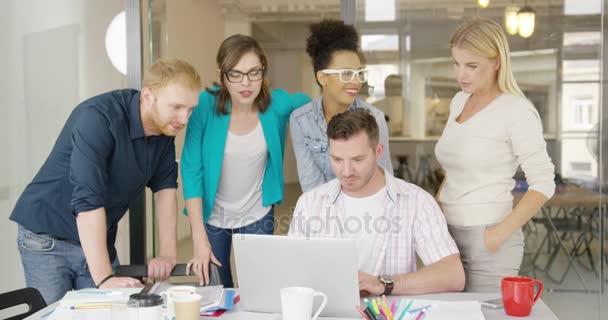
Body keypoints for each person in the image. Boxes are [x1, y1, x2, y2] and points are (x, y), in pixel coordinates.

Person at [9, 59, 202, 304]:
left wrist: (166, 254)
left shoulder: (164, 129)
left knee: (110, 311)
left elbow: (165, 190)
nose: (184, 119)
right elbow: (88, 199)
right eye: (176, 107)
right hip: (47, 237)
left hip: (97, 239)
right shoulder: (98, 118)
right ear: (148, 96)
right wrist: (103, 278)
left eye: (190, 109)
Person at [435, 17, 555, 292]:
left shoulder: (516, 111)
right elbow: (452, 170)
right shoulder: (458, 101)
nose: (461, 74)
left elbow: (544, 182)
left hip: (487, 240)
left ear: (497, 61)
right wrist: (437, 212)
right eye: (457, 63)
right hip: (447, 237)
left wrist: (498, 234)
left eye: (472, 66)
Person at [181, 34, 311, 288]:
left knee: (258, 287)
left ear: (264, 71)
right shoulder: (204, 106)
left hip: (257, 212)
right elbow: (191, 170)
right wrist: (198, 238)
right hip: (211, 215)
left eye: (254, 72)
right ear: (222, 74)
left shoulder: (275, 104)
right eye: (236, 74)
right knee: (217, 288)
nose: (246, 83)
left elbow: (309, 103)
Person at [289, 108, 464, 296]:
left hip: (387, 314)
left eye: (358, 159)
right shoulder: (310, 204)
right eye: (337, 159)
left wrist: (385, 284)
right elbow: (291, 274)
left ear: (378, 151)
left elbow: (453, 275)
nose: (346, 171)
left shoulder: (416, 202)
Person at [290, 19, 393, 193]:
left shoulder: (374, 118)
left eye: (359, 73)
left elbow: (384, 179)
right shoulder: (301, 120)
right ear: (323, 78)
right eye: (346, 74)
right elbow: (310, 184)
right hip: (322, 211)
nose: (356, 81)